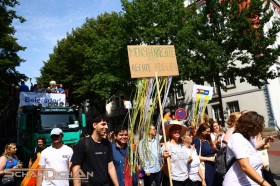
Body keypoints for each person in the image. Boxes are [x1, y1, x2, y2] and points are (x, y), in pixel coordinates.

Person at [223, 111, 271, 186]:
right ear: (249, 126)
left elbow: (253, 149)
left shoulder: (248, 138)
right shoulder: (237, 138)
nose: (259, 130)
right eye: (258, 127)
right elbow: (245, 166)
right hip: (237, 183)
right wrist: (265, 184)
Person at [71, 115, 119, 186]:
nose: (106, 127)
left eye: (107, 125)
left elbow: (111, 166)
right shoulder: (82, 143)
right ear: (94, 125)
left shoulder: (107, 143)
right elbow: (76, 168)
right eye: (103, 124)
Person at [162, 120, 191, 186]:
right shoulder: (167, 146)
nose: (177, 131)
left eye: (179, 129)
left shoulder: (183, 146)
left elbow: (182, 162)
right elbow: (166, 170)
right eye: (175, 129)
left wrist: (189, 160)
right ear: (170, 132)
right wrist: (165, 160)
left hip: (186, 179)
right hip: (174, 180)